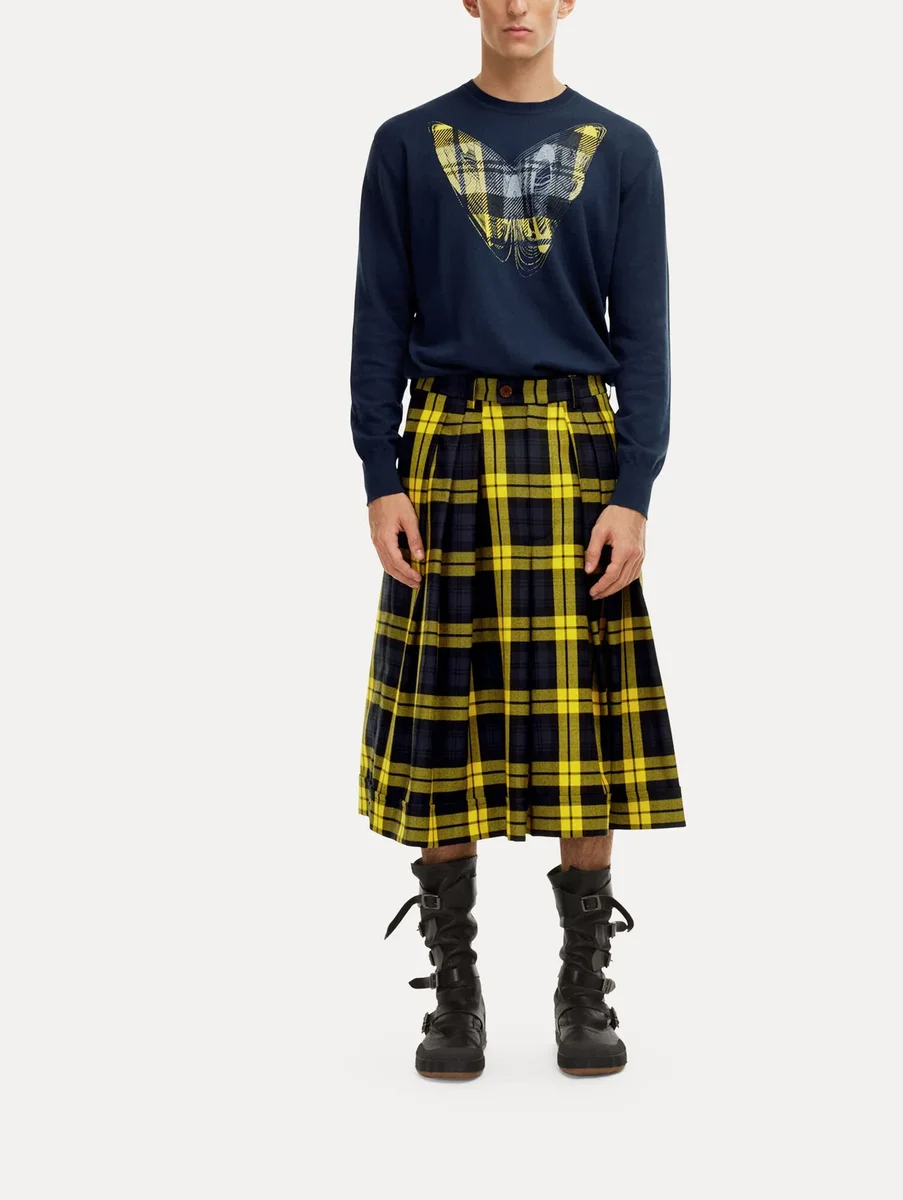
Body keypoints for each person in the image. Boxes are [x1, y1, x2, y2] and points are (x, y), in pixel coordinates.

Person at [350, 0, 685, 1080]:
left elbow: (643, 336)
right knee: (442, 723)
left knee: (579, 723)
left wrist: (633, 488)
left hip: (575, 453)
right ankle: (454, 994)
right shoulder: (406, 144)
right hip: (446, 448)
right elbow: (377, 320)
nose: (516, 6)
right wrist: (380, 474)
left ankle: (583, 987)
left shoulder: (622, 150)